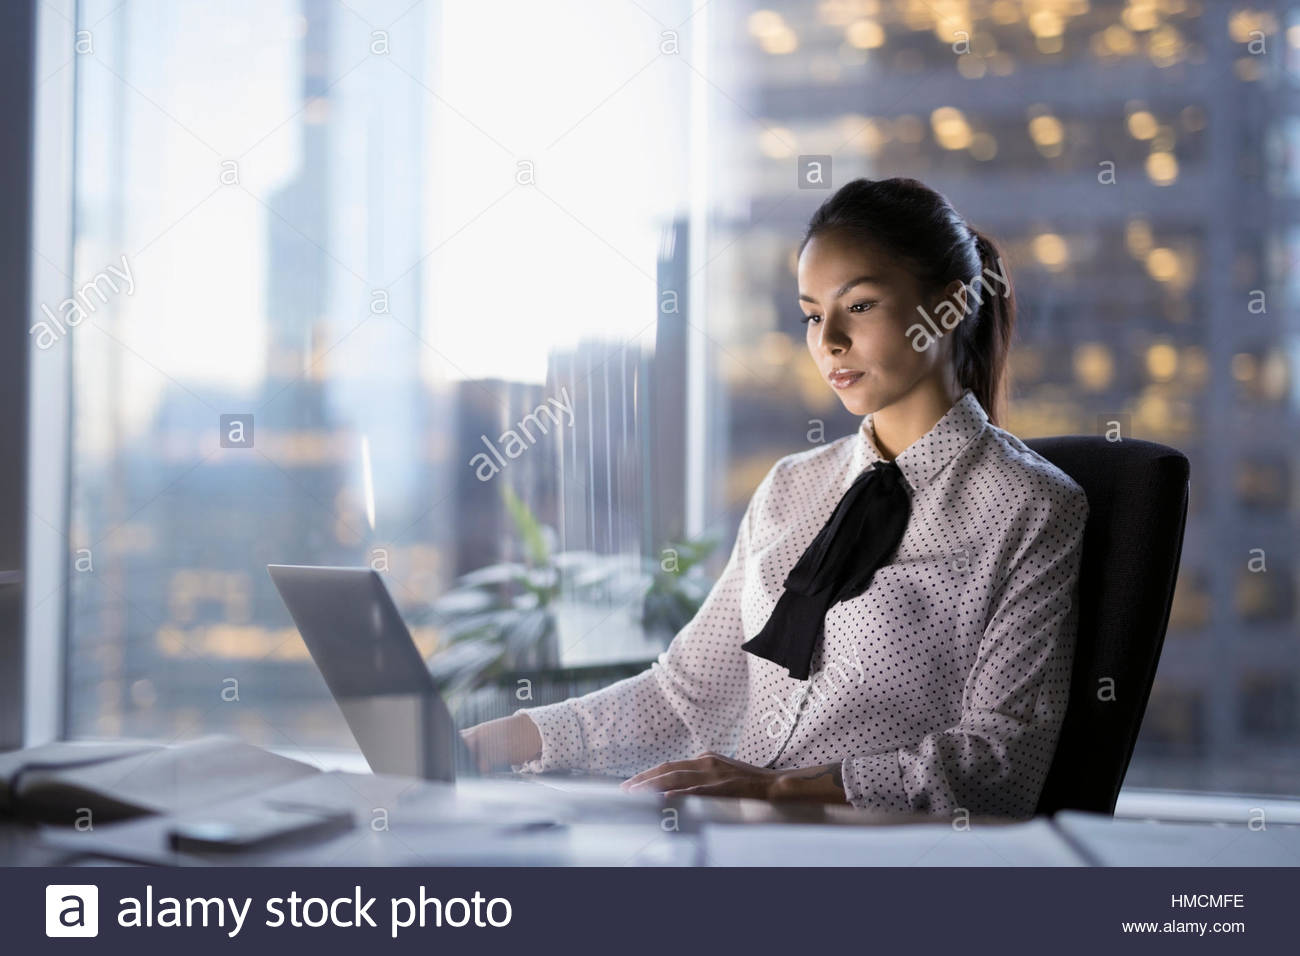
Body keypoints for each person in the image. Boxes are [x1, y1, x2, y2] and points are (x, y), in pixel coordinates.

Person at [461, 176, 1089, 818]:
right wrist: (497, 740)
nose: (829, 341)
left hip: (886, 859)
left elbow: (1002, 762)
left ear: (951, 306)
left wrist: (783, 786)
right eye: (813, 315)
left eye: (861, 306)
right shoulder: (791, 485)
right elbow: (686, 696)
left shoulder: (1033, 507)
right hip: (744, 840)